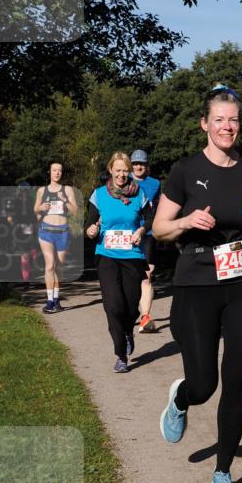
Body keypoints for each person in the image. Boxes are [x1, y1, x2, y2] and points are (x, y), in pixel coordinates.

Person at [154, 85, 242, 483]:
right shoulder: (185, 170)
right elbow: (159, 229)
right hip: (197, 278)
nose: (227, 126)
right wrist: (185, 221)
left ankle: (222, 474)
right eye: (219, 119)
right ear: (204, 124)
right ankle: (182, 397)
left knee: (236, 380)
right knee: (205, 385)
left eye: (233, 119)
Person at [86, 152, 154, 373]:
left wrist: (142, 230)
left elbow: (152, 218)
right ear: (111, 170)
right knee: (113, 305)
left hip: (133, 256)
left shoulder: (138, 193)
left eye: (125, 170)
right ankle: (120, 355)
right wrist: (91, 230)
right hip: (107, 255)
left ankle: (128, 331)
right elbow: (89, 226)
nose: (122, 174)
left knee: (130, 304)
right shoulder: (98, 195)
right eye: (118, 170)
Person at [34, 162, 77, 313]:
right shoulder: (41, 190)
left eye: (60, 171)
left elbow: (74, 211)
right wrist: (41, 208)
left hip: (63, 231)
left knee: (59, 266)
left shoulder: (67, 190)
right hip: (46, 231)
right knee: (50, 265)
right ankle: (49, 301)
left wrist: (65, 201)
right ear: (49, 172)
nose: (57, 173)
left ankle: (57, 299)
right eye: (54, 170)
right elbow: (36, 209)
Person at [130, 150, 162, 334]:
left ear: (147, 164)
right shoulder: (123, 181)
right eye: (135, 163)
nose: (138, 167)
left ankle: (146, 316)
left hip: (148, 234)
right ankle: (132, 309)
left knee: (148, 275)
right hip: (129, 234)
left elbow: (159, 207)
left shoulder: (155, 184)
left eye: (141, 163)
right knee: (131, 276)